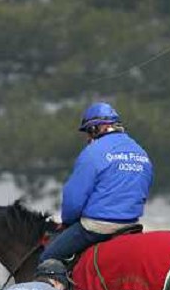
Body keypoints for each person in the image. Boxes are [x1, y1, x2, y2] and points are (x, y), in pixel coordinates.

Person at [39, 102, 154, 263]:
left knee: (47, 259)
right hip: (131, 225)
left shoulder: (93, 152)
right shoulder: (140, 152)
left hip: (97, 227)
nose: (87, 138)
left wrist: (67, 222)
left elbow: (74, 198)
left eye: (88, 132)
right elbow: (145, 187)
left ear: (96, 128)